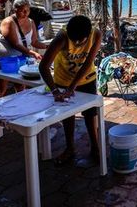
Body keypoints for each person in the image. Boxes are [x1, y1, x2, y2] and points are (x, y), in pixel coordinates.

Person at [39, 15, 102, 165]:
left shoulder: (96, 34)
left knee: (90, 114)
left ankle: (95, 147)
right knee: (68, 115)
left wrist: (72, 87)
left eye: (81, 40)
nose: (78, 43)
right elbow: (43, 66)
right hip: (62, 78)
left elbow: (87, 63)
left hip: (87, 79)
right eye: (74, 40)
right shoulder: (61, 38)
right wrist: (55, 91)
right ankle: (70, 148)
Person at [0, 0, 47, 93]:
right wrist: (33, 53)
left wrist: (48, 47)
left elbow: (34, 42)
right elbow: (15, 44)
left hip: (20, 59)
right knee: (2, 89)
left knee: (21, 85)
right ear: (15, 10)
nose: (25, 13)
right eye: (22, 11)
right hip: (5, 60)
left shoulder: (31, 22)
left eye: (27, 10)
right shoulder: (8, 22)